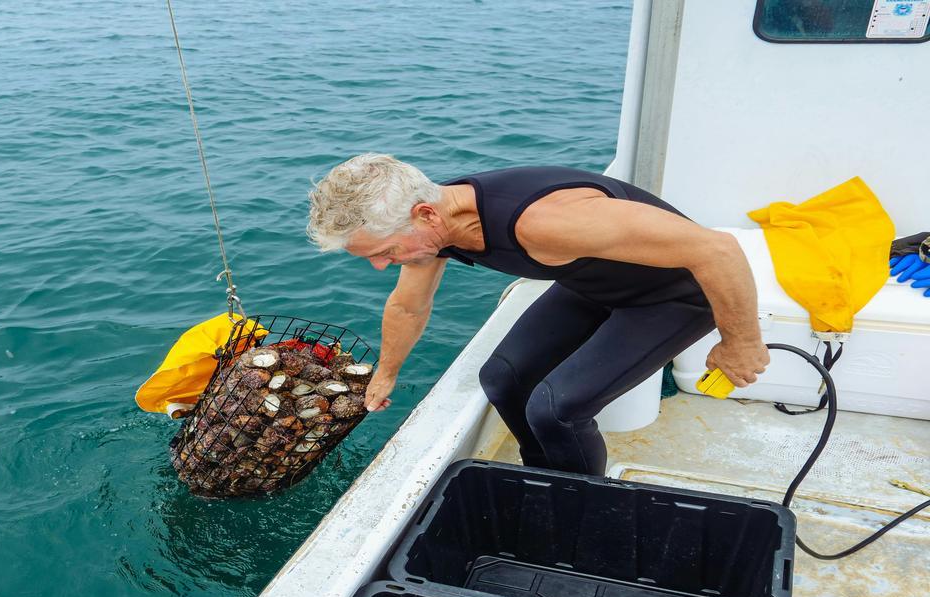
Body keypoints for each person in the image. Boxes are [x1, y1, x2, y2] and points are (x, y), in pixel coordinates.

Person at [306, 153, 769, 476]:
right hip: (595, 284)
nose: (381, 265)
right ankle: (545, 475)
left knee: (557, 409)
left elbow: (717, 250)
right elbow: (408, 304)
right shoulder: (435, 228)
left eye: (385, 252)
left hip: (676, 295)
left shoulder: (544, 221)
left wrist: (740, 342)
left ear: (425, 213)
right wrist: (385, 374)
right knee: (504, 379)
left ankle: (582, 504)